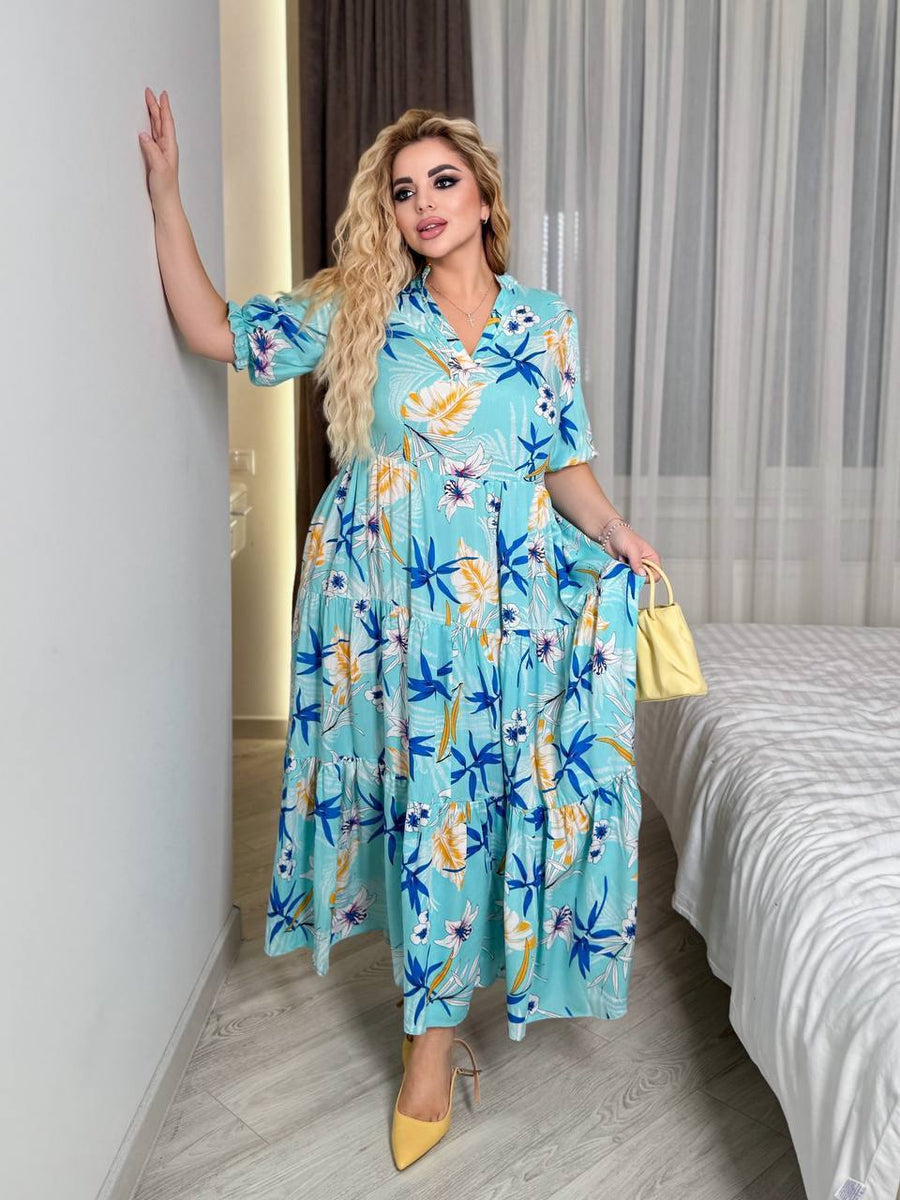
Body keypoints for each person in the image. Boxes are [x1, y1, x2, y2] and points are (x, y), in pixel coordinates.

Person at [140, 89, 663, 1171]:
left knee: (491, 798)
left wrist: (617, 532)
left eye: (444, 182)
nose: (424, 203)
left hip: (509, 607)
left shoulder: (543, 323)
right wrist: (166, 194)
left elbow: (562, 464)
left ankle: (452, 1014)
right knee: (421, 802)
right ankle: (431, 1037)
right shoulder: (361, 306)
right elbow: (214, 331)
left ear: (485, 199)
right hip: (385, 607)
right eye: (404, 190)